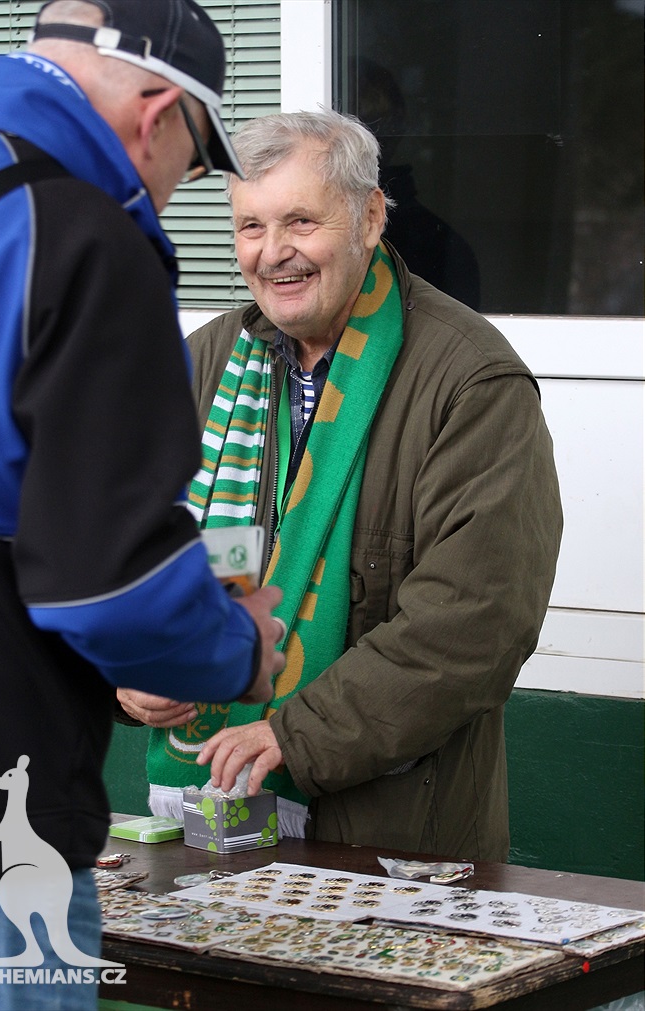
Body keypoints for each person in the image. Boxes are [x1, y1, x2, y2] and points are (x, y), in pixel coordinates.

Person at [0, 2, 285, 1008]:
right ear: (159, 115)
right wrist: (232, 647)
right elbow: (110, 585)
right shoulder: (83, 231)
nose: (176, 192)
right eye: (198, 166)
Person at [118, 108, 563, 859]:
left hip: (392, 842)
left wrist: (293, 734)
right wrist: (129, 671)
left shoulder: (470, 380)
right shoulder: (200, 364)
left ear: (369, 217)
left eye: (300, 220)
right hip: (203, 829)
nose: (273, 253)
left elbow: (476, 622)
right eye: (250, 227)